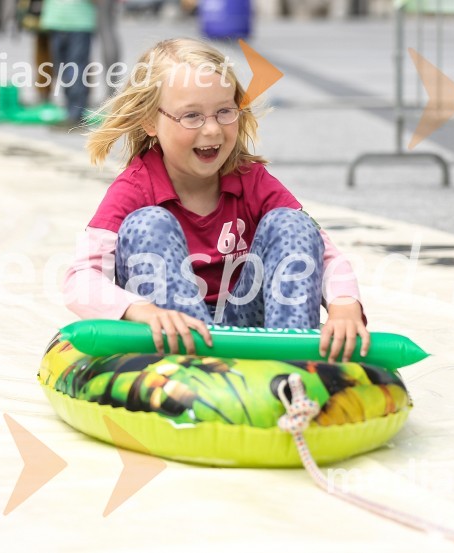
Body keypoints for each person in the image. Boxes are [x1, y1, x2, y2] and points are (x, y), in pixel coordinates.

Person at [63, 38, 369, 361]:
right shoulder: (136, 188)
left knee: (293, 224)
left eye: (224, 112)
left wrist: (345, 304)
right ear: (150, 121)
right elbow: (80, 279)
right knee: (148, 223)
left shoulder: (250, 179)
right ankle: (194, 373)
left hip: (246, 329)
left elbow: (324, 255)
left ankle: (293, 365)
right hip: (177, 335)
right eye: (192, 116)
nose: (211, 130)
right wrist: (139, 310)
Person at [40, 0, 97, 123]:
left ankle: (75, 113)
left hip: (80, 22)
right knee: (62, 70)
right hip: (55, 19)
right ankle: (70, 111)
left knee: (76, 69)